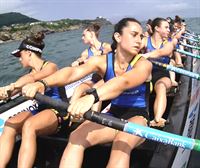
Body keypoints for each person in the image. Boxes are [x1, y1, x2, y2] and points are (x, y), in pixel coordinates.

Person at [22, 18, 152, 168]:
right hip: (112, 114)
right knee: (76, 137)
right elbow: (72, 73)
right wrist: (42, 83)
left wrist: (92, 97)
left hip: (138, 116)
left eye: (141, 36)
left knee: (121, 143)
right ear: (118, 37)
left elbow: (124, 82)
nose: (139, 40)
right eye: (134, 35)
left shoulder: (144, 64)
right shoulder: (102, 61)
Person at [0, 32, 67, 168]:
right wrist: (5, 92)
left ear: (29, 53)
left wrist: (12, 86)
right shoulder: (29, 74)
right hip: (40, 110)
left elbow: (32, 79)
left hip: (59, 110)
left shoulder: (51, 67)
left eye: (20, 55)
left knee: (29, 126)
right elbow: (18, 87)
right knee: (10, 124)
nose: (19, 59)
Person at [141, 17, 185, 127]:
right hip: (145, 73)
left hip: (162, 74)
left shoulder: (169, 43)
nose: (168, 30)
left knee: (161, 86)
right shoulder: (145, 40)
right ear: (157, 28)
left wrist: (146, 55)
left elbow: (164, 52)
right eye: (166, 27)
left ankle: (157, 119)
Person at [71, 23, 111, 113]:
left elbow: (109, 51)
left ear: (92, 34)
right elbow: (82, 58)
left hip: (108, 78)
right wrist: (78, 62)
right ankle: (69, 114)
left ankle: (94, 116)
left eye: (84, 35)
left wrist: (99, 54)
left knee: (96, 89)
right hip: (95, 78)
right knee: (79, 88)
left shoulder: (106, 46)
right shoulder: (85, 52)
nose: (82, 37)